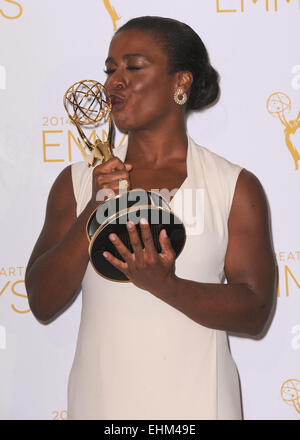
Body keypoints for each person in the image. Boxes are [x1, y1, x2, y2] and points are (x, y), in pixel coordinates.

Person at [25, 16, 276, 420]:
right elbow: (42, 301)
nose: (114, 82)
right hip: (102, 409)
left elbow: (255, 311)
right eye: (110, 69)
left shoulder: (233, 186)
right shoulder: (76, 183)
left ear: (181, 82)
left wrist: (165, 284)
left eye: (134, 66)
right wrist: (95, 207)